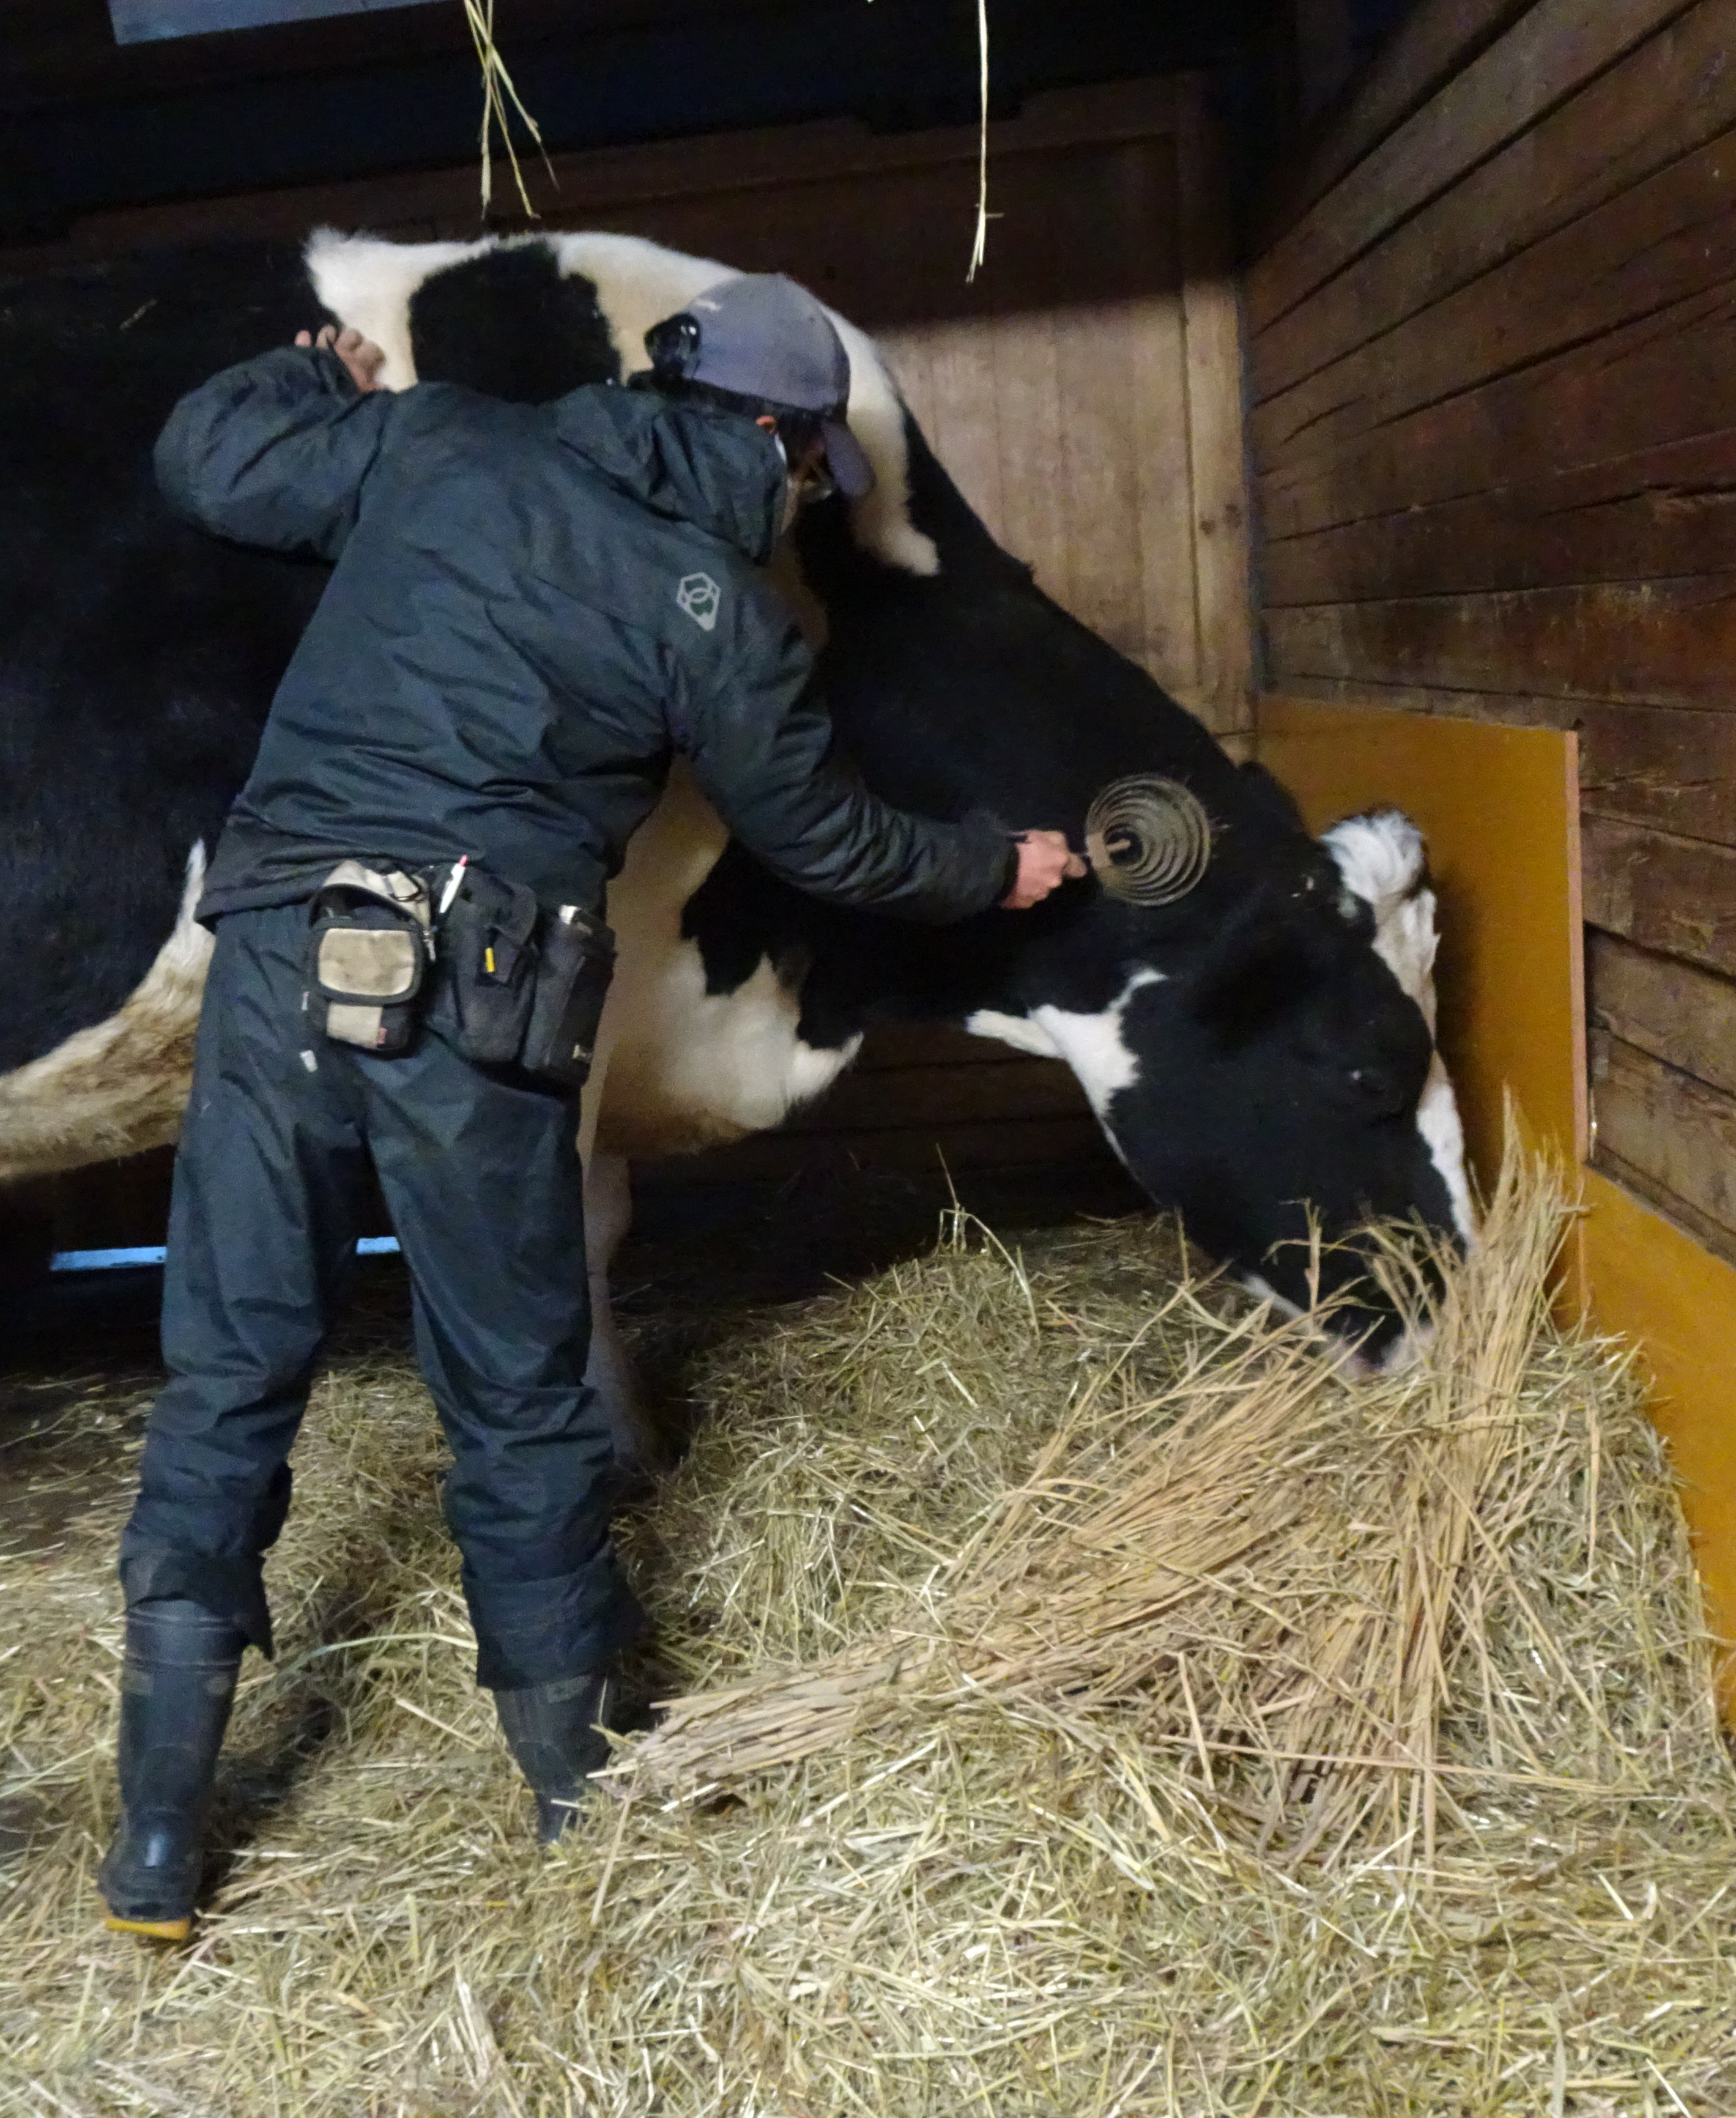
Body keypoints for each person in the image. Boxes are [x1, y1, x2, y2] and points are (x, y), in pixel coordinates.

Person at [103, 272, 1081, 1938]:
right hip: (477, 988)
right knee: (520, 1389)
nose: (798, 506)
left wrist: (305, 376)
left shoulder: (434, 448)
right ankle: (577, 1811)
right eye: (803, 472)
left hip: (281, 958)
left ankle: (152, 1856)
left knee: (229, 1367)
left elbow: (208, 458)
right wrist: (1001, 867)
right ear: (769, 435)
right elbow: (833, 843)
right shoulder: (719, 612)